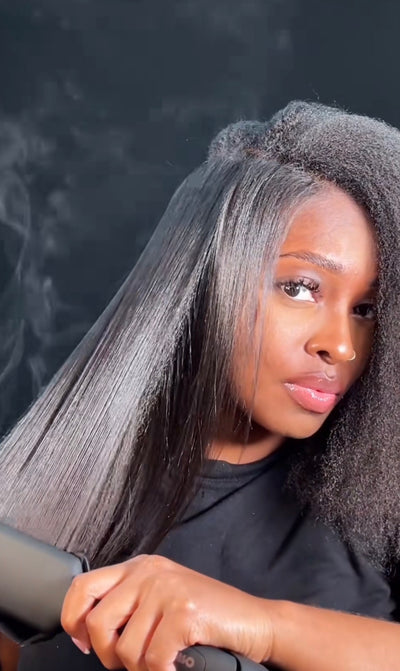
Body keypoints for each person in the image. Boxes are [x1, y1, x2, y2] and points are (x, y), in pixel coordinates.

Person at [1, 100, 400, 671]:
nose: (341, 346)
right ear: (207, 281)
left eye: (366, 308)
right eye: (301, 287)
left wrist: (260, 626)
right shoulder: (41, 499)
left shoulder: (383, 500)